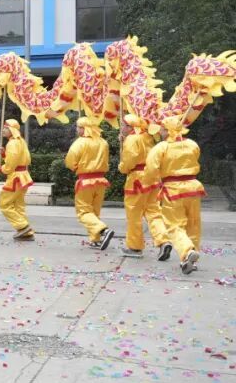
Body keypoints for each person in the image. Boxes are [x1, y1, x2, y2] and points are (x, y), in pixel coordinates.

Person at [143, 115, 204, 274]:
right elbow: (196, 158)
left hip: (173, 189)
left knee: (174, 225)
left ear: (168, 130)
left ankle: (187, 251)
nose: (160, 132)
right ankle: (191, 259)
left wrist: (149, 183)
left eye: (163, 129)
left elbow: (151, 169)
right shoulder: (192, 144)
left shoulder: (161, 147)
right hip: (193, 187)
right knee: (193, 224)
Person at [118, 114, 167, 259]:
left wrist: (122, 167)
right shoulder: (147, 136)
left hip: (137, 179)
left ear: (130, 127)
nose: (121, 128)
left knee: (134, 214)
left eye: (123, 125)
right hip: (152, 177)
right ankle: (163, 241)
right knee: (154, 212)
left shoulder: (132, 139)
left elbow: (129, 162)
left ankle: (135, 247)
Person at [64, 116, 115, 250]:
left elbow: (70, 161)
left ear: (84, 128)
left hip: (86, 181)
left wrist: (76, 167)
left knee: (84, 212)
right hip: (101, 180)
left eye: (78, 127)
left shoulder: (80, 143)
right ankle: (95, 239)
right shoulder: (103, 142)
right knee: (94, 212)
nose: (77, 129)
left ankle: (102, 230)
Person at [0, 119, 35, 241]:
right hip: (23, 176)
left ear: (12, 130)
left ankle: (23, 226)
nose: (3, 130)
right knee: (19, 206)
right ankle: (26, 232)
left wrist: (1, 169)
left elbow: (10, 165)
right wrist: (4, 154)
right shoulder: (21, 141)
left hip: (15, 178)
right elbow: (22, 159)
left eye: (6, 128)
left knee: (4, 204)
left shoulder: (12, 143)